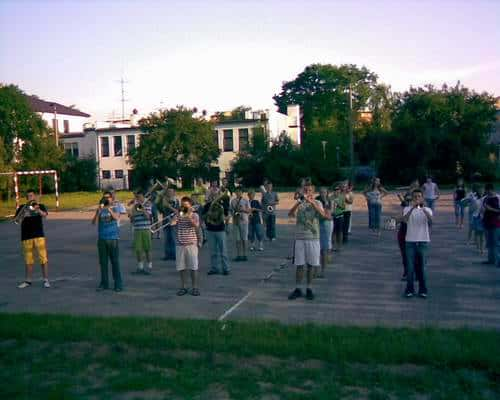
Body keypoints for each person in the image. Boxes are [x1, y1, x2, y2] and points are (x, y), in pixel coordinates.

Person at [288, 182, 329, 300]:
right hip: (300, 238)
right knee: (299, 264)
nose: (307, 192)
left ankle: (309, 288)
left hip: (313, 238)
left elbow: (324, 215)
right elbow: (290, 214)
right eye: (305, 190)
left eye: (309, 190)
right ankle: (298, 288)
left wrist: (313, 203)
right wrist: (298, 203)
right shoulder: (300, 204)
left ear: (313, 192)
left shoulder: (318, 202)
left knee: (311, 264)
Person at [15, 189, 50, 289]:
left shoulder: (40, 206)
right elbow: (17, 221)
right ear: (26, 198)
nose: (30, 198)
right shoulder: (22, 207)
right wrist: (24, 215)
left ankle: (46, 280)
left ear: (34, 196)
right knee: (28, 260)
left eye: (31, 196)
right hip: (26, 237)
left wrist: (38, 209)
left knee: (43, 258)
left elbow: (45, 215)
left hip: (39, 235)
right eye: (28, 196)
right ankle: (28, 281)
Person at [402, 189, 433, 298]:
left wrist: (423, 209)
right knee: (410, 267)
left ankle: (423, 289)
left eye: (419, 196)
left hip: (423, 241)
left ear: (422, 198)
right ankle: (409, 289)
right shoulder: (406, 208)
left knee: (422, 267)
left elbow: (431, 222)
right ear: (412, 198)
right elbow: (405, 220)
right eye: (414, 196)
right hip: (410, 241)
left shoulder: (427, 209)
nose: (416, 198)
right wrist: (412, 208)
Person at [92, 191, 123, 292]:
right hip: (102, 239)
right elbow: (94, 223)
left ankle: (118, 284)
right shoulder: (100, 209)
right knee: (103, 263)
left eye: (108, 197)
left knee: (115, 262)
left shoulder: (115, 207)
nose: (106, 199)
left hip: (113, 239)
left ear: (112, 198)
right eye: (104, 197)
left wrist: (109, 209)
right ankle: (104, 283)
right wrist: (98, 212)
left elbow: (117, 218)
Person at [174, 196, 201, 296]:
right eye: (182, 205)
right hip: (180, 244)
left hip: (191, 244)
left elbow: (196, 226)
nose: (183, 207)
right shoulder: (179, 215)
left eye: (185, 205)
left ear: (190, 206)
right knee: (182, 267)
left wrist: (189, 215)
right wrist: (176, 216)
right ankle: (183, 286)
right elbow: (172, 223)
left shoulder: (195, 215)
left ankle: (195, 287)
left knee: (193, 267)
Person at [203, 191, 231, 275]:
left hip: (220, 230)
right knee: (213, 251)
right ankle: (214, 268)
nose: (214, 198)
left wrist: (225, 220)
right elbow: (203, 216)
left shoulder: (222, 205)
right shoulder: (207, 206)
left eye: (216, 196)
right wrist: (208, 214)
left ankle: (226, 268)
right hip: (210, 229)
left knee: (223, 251)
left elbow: (228, 216)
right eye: (213, 196)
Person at [128, 190, 153, 275]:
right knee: (138, 249)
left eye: (140, 197)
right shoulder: (134, 206)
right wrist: (132, 214)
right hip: (137, 229)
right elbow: (132, 219)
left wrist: (142, 209)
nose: (138, 199)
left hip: (145, 229)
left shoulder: (148, 204)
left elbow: (148, 217)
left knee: (147, 249)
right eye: (137, 198)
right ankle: (140, 267)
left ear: (143, 196)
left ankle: (149, 266)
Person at [158, 187, 180, 260]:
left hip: (173, 222)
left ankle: (174, 255)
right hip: (165, 221)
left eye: (171, 192)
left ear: (174, 193)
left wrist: (169, 206)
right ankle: (167, 255)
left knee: (173, 239)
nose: (169, 193)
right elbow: (160, 210)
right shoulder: (164, 201)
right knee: (167, 239)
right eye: (168, 192)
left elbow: (177, 211)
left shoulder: (176, 201)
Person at [481, 183, 500, 267]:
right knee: (489, 242)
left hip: (496, 223)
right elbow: (482, 209)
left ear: (492, 190)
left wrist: (491, 209)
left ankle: (497, 260)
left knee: (496, 242)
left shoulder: (498, 198)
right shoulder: (485, 198)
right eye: (486, 191)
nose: (487, 192)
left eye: (488, 190)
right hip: (487, 222)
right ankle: (490, 259)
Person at [230, 187, 251, 261]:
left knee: (244, 238)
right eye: (237, 191)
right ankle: (239, 255)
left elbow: (249, 210)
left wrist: (243, 210)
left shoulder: (245, 201)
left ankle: (245, 255)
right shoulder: (233, 201)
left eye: (239, 192)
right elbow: (231, 210)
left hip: (244, 221)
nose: (238, 193)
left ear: (242, 193)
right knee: (237, 239)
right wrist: (233, 213)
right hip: (236, 221)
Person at [316, 187, 332, 278]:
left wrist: (325, 206)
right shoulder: (316, 200)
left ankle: (322, 271)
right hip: (317, 224)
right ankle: (315, 270)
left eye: (324, 192)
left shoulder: (328, 201)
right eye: (321, 192)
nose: (323, 194)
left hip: (325, 225)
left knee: (323, 249)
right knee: (316, 249)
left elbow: (328, 216)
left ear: (327, 193)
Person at [331, 186, 345, 251]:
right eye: (335, 190)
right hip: (333, 216)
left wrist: (338, 204)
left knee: (340, 232)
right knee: (333, 232)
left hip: (340, 216)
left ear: (340, 190)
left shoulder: (342, 197)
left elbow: (343, 207)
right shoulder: (331, 197)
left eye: (338, 189)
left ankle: (339, 246)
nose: (336, 191)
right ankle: (333, 246)